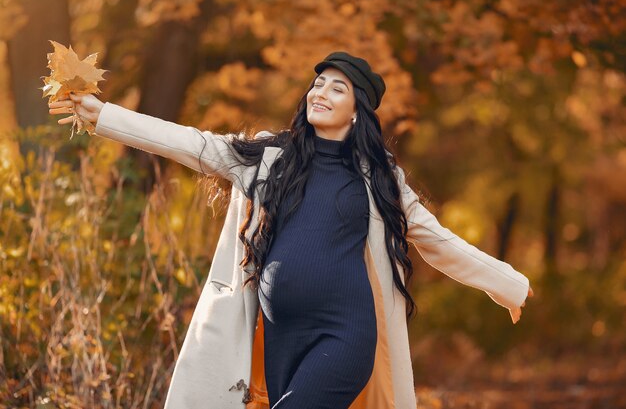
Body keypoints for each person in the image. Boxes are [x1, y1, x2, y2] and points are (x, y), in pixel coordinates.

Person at [49, 51, 534, 409]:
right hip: (280, 335)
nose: (320, 92)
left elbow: (437, 240)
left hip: (344, 336)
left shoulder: (379, 179)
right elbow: (194, 145)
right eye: (317, 83)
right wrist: (105, 117)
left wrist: (508, 285)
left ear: (358, 109)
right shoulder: (268, 157)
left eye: (336, 88)